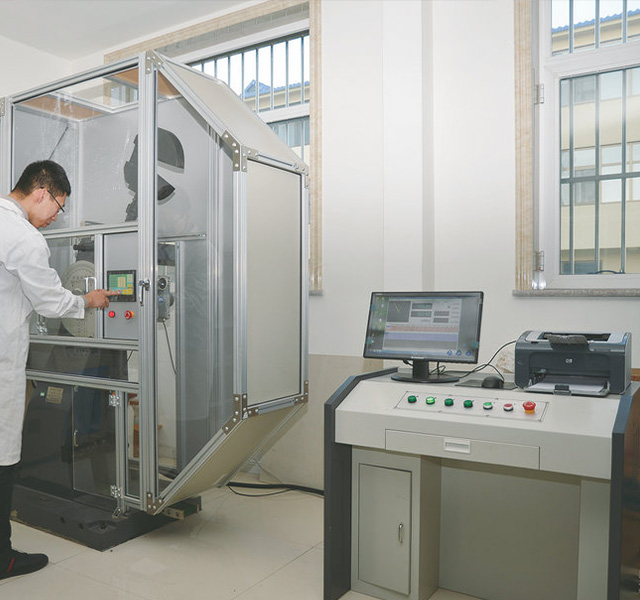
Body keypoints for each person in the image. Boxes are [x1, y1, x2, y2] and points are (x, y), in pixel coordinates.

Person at [0, 160, 115, 580]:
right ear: (41, 192)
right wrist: (88, 301)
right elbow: (50, 301)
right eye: (58, 206)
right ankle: (2, 558)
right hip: (2, 360)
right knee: (2, 455)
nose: (55, 218)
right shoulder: (23, 237)